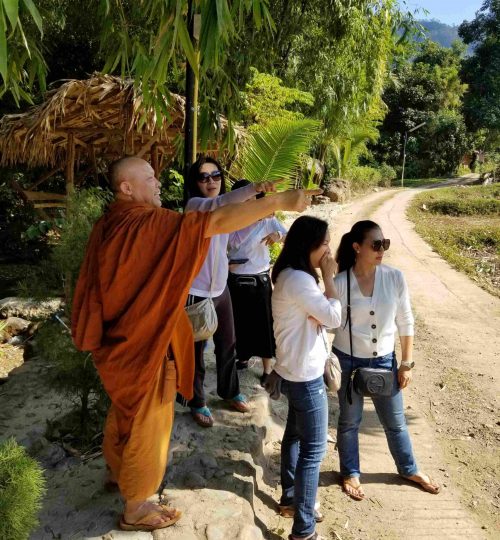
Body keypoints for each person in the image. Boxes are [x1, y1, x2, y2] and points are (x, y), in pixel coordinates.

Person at [71, 156, 320, 532]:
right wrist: (279, 202)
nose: (158, 183)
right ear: (126, 188)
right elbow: (213, 222)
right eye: (150, 178)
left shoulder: (109, 222)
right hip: (143, 341)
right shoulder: (142, 222)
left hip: (121, 340)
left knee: (126, 408)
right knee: (148, 419)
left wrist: (259, 197)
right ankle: (136, 505)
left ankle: (117, 470)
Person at [332, 220, 440, 501]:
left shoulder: (394, 277)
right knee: (349, 422)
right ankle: (350, 472)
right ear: (357, 247)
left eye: (385, 244)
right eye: (376, 244)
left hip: (384, 362)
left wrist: (406, 362)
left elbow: (406, 321)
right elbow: (326, 322)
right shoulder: (340, 282)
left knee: (396, 422)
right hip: (347, 361)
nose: (382, 249)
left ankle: (409, 468)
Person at [183, 157, 275, 427]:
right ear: (194, 183)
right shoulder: (195, 206)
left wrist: (268, 225)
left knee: (228, 344)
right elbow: (219, 204)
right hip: (196, 291)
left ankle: (229, 390)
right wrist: (256, 190)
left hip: (221, 288)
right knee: (196, 350)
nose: (211, 181)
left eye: (216, 175)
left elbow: (235, 237)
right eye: (204, 177)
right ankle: (196, 400)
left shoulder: (228, 210)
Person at [271, 216, 341, 540]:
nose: (329, 250)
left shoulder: (291, 275)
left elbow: (321, 317)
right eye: (326, 243)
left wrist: (321, 300)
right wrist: (329, 279)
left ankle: (289, 497)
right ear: (309, 245)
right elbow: (333, 318)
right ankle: (303, 529)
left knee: (295, 437)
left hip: (293, 369)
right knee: (314, 451)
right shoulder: (300, 280)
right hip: (306, 377)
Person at [227, 179, 287, 386]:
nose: (249, 202)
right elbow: (224, 246)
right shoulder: (229, 221)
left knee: (263, 325)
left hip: (259, 279)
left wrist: (277, 234)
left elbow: (288, 236)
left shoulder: (267, 220)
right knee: (238, 322)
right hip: (234, 279)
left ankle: (267, 368)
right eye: (244, 198)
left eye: (253, 198)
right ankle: (242, 357)